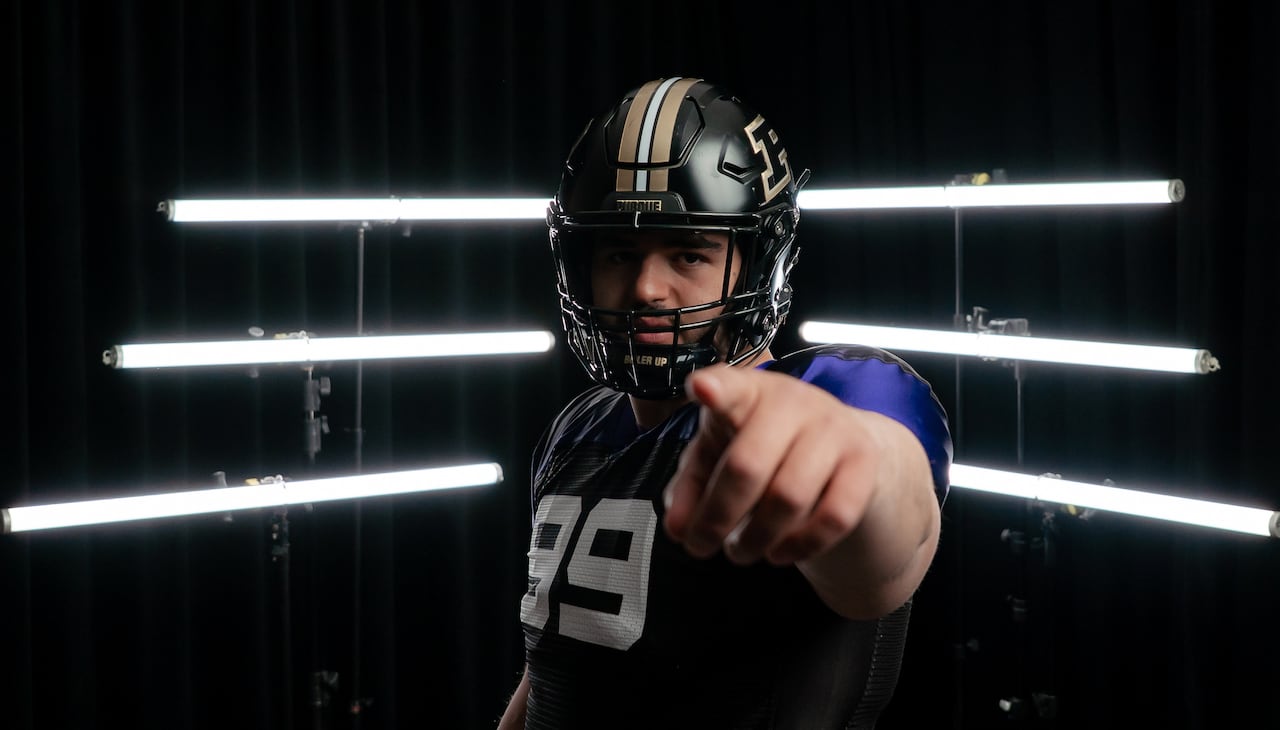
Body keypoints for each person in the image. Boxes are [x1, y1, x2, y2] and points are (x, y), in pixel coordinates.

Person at [499, 77, 952, 729]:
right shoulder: (579, 424)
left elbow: (884, 553)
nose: (647, 289)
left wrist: (851, 463)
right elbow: (555, 661)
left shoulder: (837, 392)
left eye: (689, 253)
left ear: (761, 262)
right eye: (620, 252)